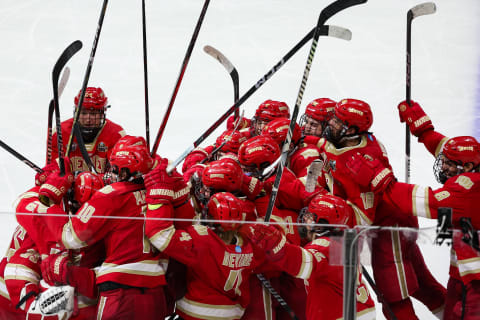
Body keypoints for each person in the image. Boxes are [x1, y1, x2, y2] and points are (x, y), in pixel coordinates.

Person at [317, 98, 446, 319]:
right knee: (422, 284)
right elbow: (323, 149)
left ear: (353, 130)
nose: (332, 124)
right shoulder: (342, 142)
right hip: (390, 224)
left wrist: (329, 214)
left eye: (339, 122)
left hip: (390, 228)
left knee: (392, 297)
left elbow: (363, 216)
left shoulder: (362, 159)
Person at [347, 134, 480, 320]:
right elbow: (443, 145)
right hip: (462, 277)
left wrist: (381, 181)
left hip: (475, 285)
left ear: (467, 167)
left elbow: (426, 202)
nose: (443, 167)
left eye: (449, 164)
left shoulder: (470, 188)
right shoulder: (472, 166)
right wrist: (424, 128)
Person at [40, 135, 168, 320]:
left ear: (122, 170)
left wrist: (50, 199)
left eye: (114, 168)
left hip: (120, 294)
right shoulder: (157, 194)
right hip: (156, 294)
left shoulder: (111, 195)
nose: (111, 173)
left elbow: (70, 237)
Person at [143, 160, 263, 320]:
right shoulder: (248, 243)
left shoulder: (202, 238)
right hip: (233, 314)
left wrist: (159, 196)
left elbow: (159, 235)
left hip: (196, 312)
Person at [241, 193, 376, 320]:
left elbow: (301, 264)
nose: (305, 218)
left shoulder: (323, 246)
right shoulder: (346, 242)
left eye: (310, 216)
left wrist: (276, 244)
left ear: (321, 224)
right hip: (362, 310)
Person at [51, 87, 125, 174]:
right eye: (83, 113)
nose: (88, 119)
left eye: (93, 114)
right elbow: (53, 170)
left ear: (102, 113)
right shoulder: (60, 132)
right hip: (68, 186)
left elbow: (119, 176)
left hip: (102, 186)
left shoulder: (116, 134)